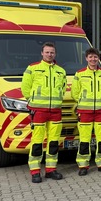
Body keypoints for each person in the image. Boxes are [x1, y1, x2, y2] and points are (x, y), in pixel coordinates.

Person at [21, 42, 67, 183]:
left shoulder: (61, 71)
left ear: (55, 54)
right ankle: (35, 171)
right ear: (42, 53)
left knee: (53, 142)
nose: (49, 54)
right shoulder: (33, 68)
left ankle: (50, 170)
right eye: (47, 52)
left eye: (52, 52)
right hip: (39, 110)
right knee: (37, 142)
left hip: (55, 111)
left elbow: (63, 89)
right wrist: (33, 101)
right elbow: (25, 88)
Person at [71, 47, 101, 176]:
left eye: (95, 57)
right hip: (85, 112)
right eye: (90, 57)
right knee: (84, 140)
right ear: (86, 58)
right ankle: (83, 165)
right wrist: (83, 101)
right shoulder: (80, 73)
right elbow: (74, 92)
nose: (93, 59)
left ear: (98, 58)